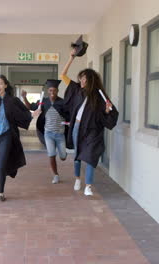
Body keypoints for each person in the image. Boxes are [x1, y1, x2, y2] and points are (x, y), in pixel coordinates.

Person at [61, 48, 119, 196]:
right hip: (77, 128)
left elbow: (110, 113)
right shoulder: (76, 90)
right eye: (80, 78)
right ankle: (77, 179)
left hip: (93, 131)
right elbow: (63, 75)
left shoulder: (99, 96)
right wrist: (71, 58)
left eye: (84, 78)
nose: (81, 81)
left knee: (91, 156)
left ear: (91, 80)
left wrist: (107, 111)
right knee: (78, 156)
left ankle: (88, 186)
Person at [21, 79, 70, 184]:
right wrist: (24, 97)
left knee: (63, 157)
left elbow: (70, 114)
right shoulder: (44, 102)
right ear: (48, 91)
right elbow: (30, 107)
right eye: (50, 90)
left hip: (60, 134)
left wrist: (69, 122)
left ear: (57, 91)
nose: (52, 93)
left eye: (54, 91)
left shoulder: (62, 102)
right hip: (48, 133)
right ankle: (55, 175)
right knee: (51, 154)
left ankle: (63, 154)